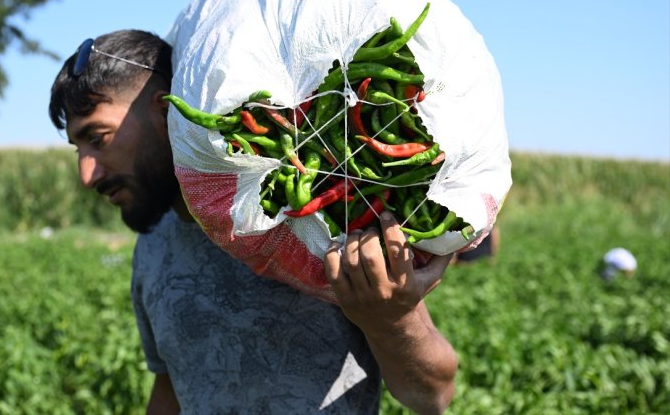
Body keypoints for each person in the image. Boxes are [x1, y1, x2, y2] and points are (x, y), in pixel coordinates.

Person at [49, 30, 458, 414]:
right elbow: (172, 385)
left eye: (98, 138)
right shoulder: (154, 246)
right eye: (77, 149)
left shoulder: (310, 226)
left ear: (163, 113)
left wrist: (390, 318)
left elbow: (434, 393)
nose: (87, 175)